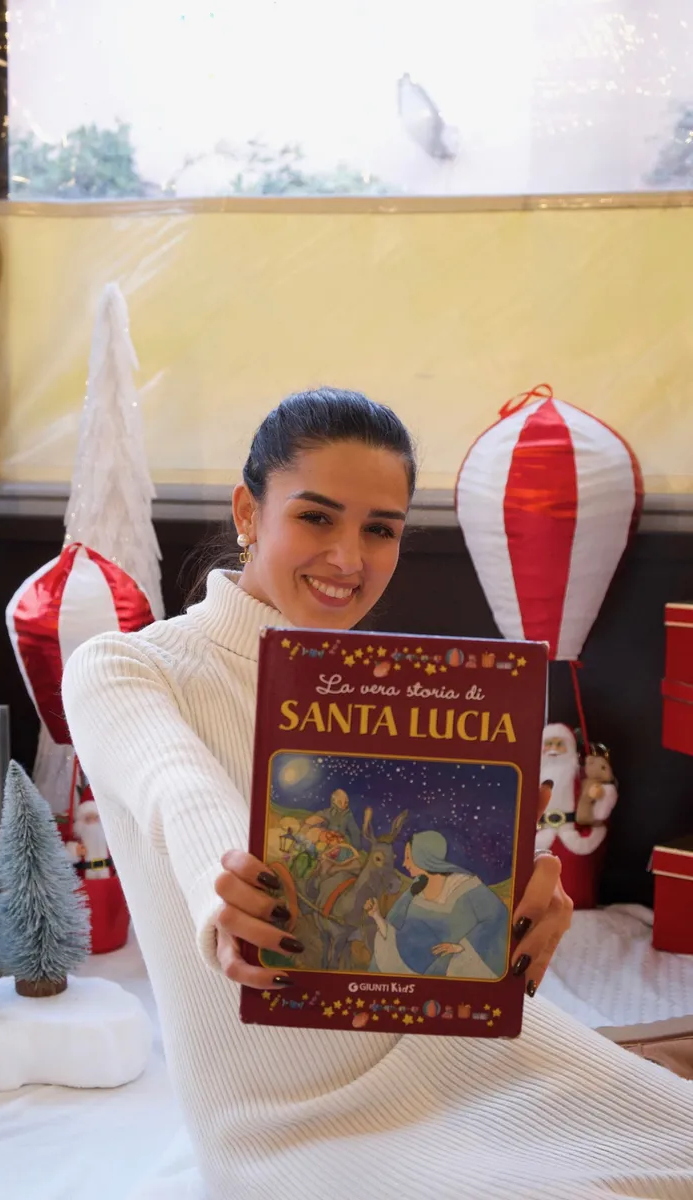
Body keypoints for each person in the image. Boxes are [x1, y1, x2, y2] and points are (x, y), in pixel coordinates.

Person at [62, 388, 693, 1200]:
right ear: (248, 511)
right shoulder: (125, 668)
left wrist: (519, 903)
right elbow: (177, 790)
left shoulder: (405, 691)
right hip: (289, 1118)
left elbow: (434, 889)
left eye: (380, 530)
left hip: (476, 1055)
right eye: (316, 518)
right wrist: (228, 890)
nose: (348, 559)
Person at [365, 830, 509, 978]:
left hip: (448, 971)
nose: (404, 863)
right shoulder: (415, 889)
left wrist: (462, 947)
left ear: (423, 856)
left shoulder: (466, 886)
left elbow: (498, 919)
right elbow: (394, 933)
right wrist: (376, 915)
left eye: (408, 857)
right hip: (406, 972)